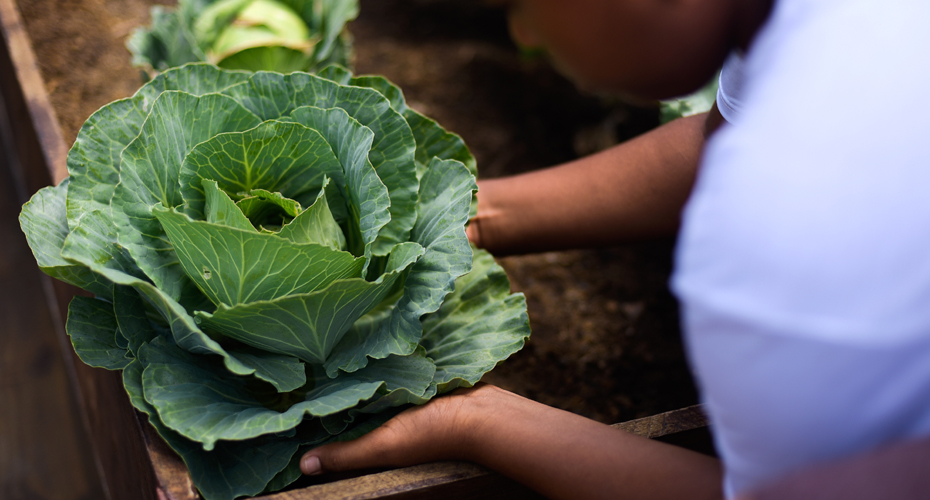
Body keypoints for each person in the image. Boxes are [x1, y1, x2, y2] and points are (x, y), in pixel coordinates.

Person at [298, 0, 930, 498]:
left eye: (523, 1)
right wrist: (472, 218)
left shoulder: (788, 234)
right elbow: (723, 131)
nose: (524, 35)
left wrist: (479, 424)